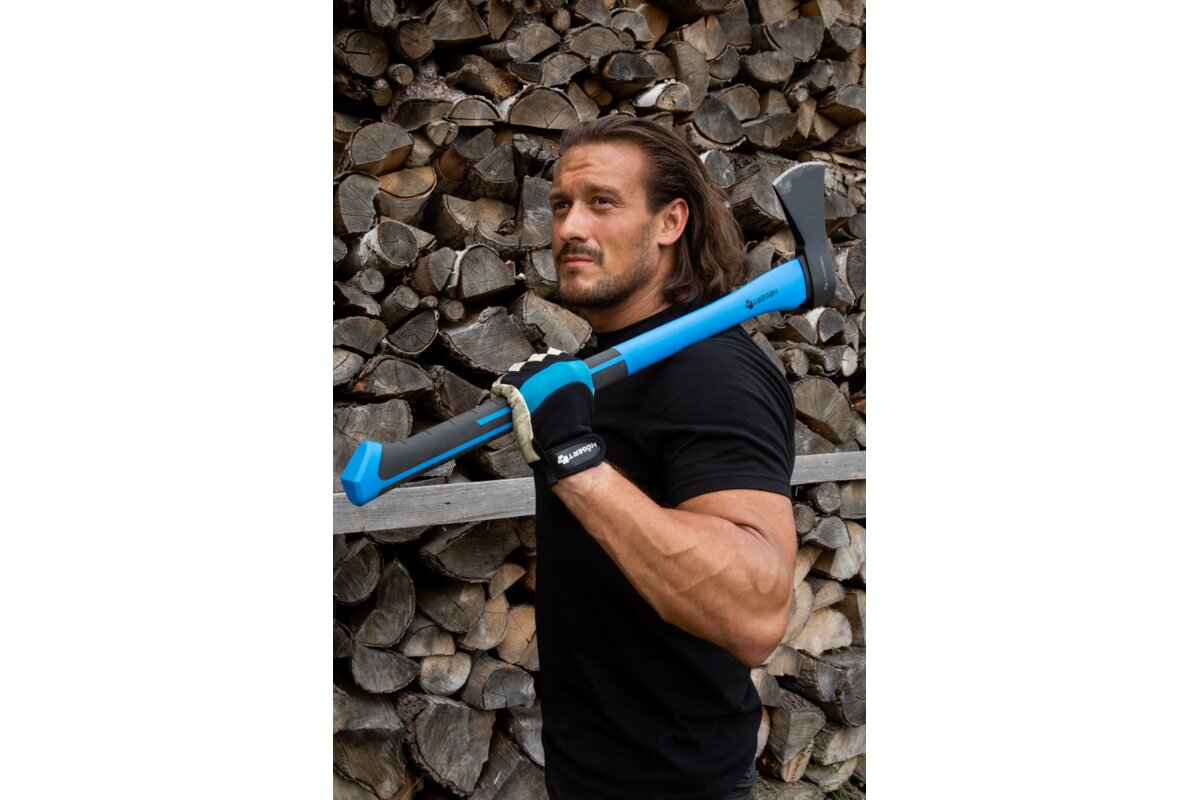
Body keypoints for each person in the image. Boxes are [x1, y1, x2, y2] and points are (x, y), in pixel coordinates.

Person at [491, 116, 797, 800]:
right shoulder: (598, 369)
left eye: (602, 202)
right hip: (587, 769)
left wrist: (577, 465)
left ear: (670, 222)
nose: (570, 227)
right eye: (562, 205)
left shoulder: (713, 372)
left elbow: (756, 613)